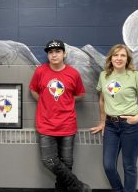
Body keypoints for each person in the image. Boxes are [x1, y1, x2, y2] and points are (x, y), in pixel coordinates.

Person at [29, 39, 91, 192]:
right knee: (49, 161)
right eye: (50, 52)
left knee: (67, 162)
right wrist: (44, 101)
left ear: (64, 54)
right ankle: (78, 186)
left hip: (67, 124)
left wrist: (67, 101)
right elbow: (33, 90)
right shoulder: (40, 71)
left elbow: (81, 94)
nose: (54, 55)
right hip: (46, 124)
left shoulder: (73, 73)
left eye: (57, 51)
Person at [90, 44, 138, 192]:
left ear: (127, 59)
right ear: (110, 58)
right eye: (115, 55)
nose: (119, 58)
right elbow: (102, 100)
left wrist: (136, 118)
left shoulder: (134, 76)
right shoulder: (104, 76)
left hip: (131, 126)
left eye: (122, 55)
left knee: (129, 166)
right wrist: (103, 122)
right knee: (109, 165)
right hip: (111, 126)